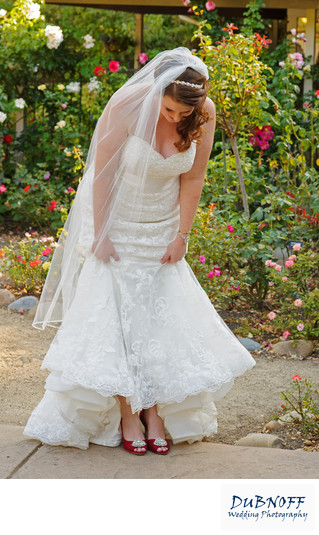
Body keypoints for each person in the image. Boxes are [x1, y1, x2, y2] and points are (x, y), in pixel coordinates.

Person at [23, 47, 256, 455]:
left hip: (163, 227)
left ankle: (154, 412)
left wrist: (181, 235)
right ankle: (129, 413)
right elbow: (105, 171)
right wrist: (102, 233)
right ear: (157, 89)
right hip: (117, 223)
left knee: (157, 322)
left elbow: (194, 177)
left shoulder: (203, 111)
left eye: (185, 113)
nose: (176, 118)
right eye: (169, 110)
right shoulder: (127, 104)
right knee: (118, 322)